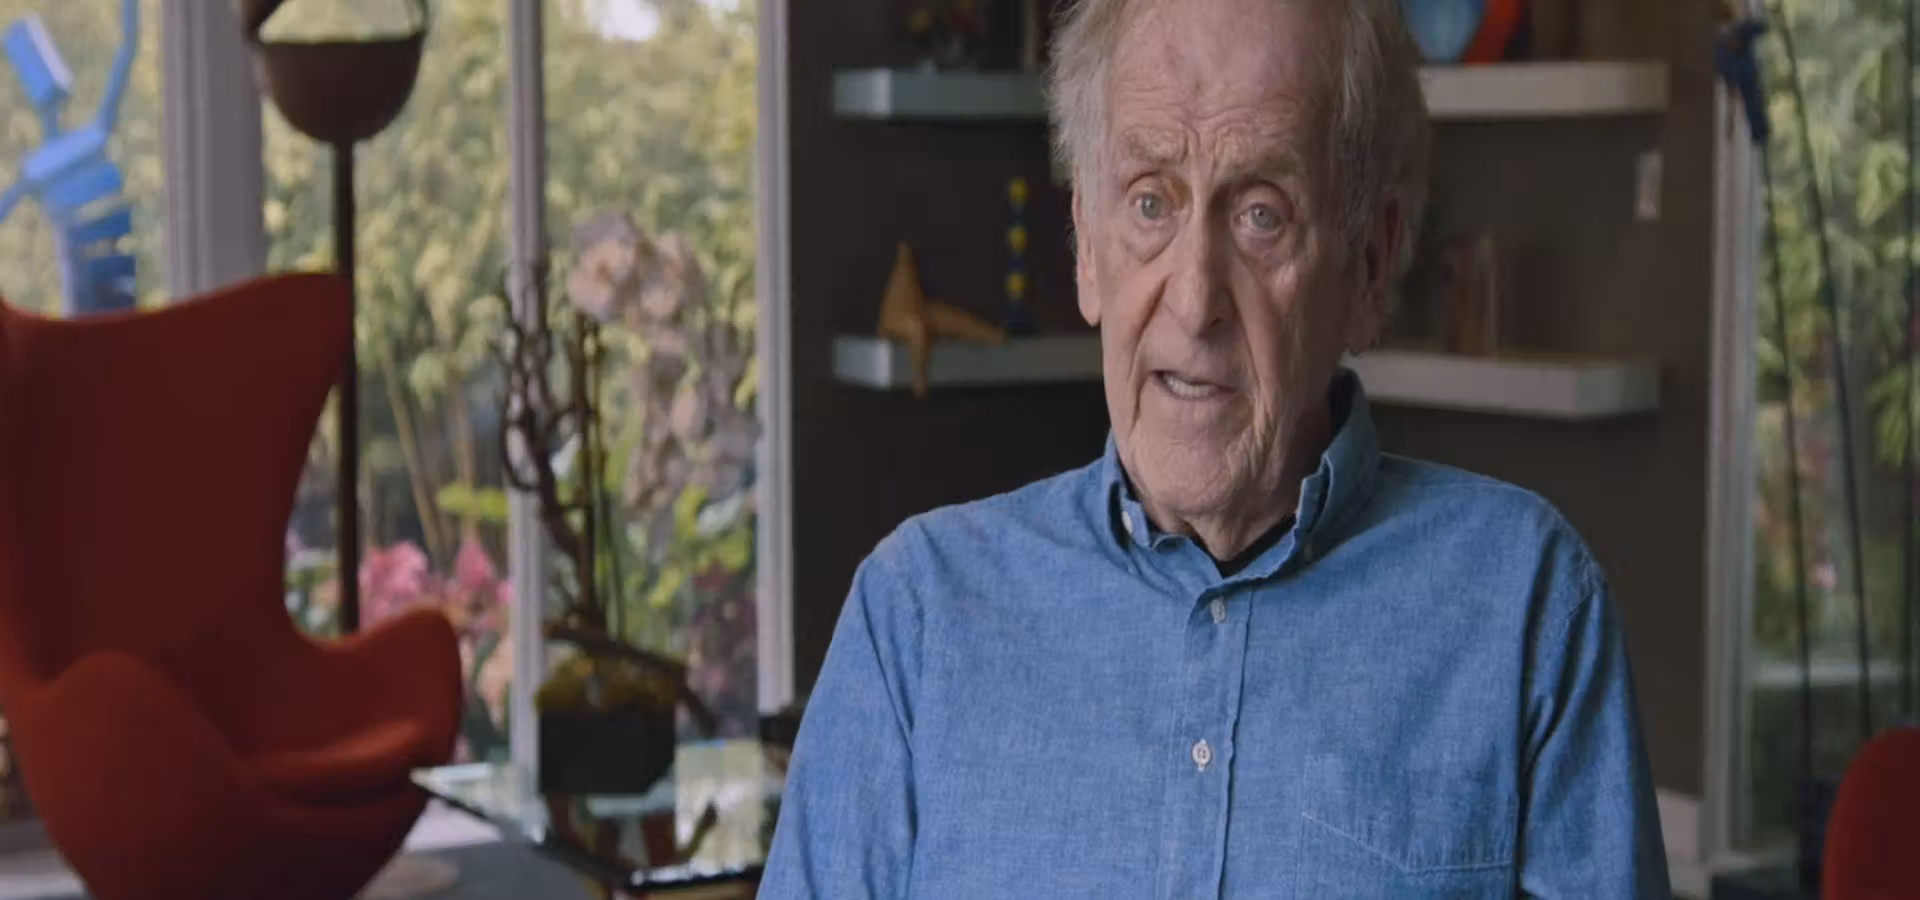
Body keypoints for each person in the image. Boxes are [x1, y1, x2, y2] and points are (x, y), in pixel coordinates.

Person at [760, 0, 1670, 895]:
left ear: (1368, 268)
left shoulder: (1527, 609)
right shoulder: (916, 618)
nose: (1195, 302)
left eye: (1262, 214)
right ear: (1087, 251)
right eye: (1150, 202)